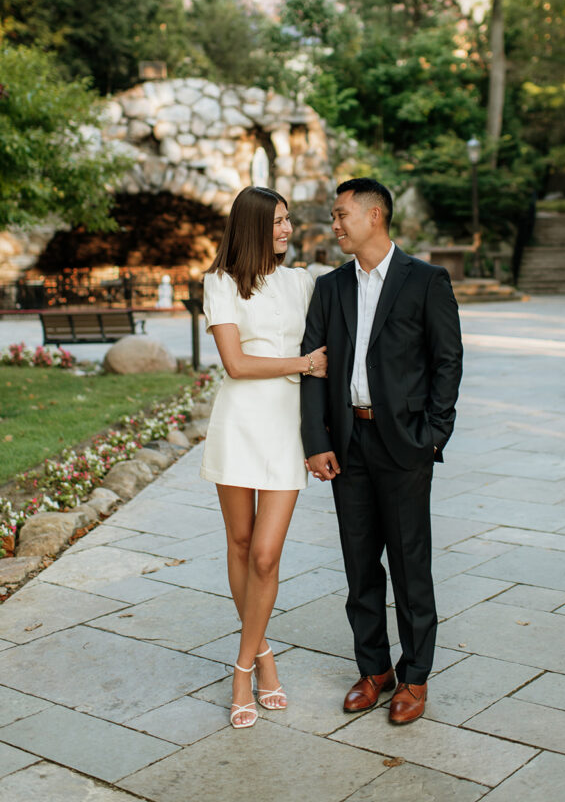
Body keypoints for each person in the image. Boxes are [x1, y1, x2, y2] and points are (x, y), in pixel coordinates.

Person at [301, 177, 462, 725]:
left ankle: (415, 676)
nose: (335, 223)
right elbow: (314, 370)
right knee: (359, 565)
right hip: (349, 445)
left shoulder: (426, 280)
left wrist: (434, 435)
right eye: (333, 214)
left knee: (410, 564)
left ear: (374, 216)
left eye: (341, 213)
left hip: (405, 444)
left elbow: (447, 361)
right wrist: (317, 441)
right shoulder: (330, 287)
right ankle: (375, 670)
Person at [200, 186, 327, 729]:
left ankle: (243, 666)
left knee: (267, 555)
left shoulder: (302, 281)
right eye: (277, 221)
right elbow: (235, 364)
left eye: (288, 219)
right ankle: (263, 658)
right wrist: (302, 363)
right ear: (253, 226)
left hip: (285, 430)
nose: (287, 228)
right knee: (241, 542)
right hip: (238, 424)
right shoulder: (220, 283)